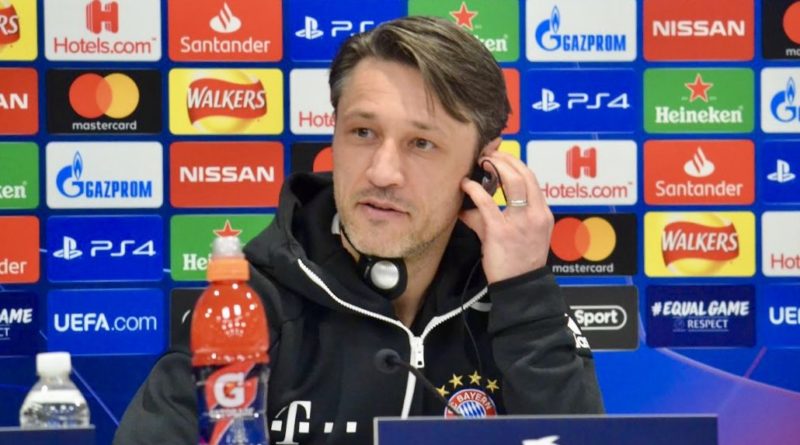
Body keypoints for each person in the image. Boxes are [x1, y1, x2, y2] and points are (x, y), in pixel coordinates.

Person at [114, 16, 603, 445]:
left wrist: (525, 293)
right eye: (363, 133)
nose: (382, 172)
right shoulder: (252, 306)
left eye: (422, 143)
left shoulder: (512, 299)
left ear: (484, 167)